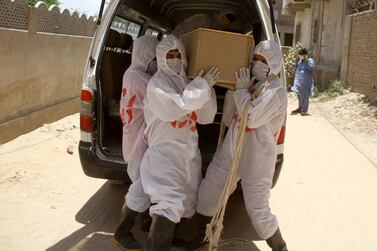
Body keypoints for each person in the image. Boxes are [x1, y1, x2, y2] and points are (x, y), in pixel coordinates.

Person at [186, 41, 288, 251]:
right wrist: (234, 92)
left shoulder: (276, 92)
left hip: (257, 159)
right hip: (231, 150)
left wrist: (242, 93)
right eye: (256, 59)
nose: (258, 64)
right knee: (208, 193)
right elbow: (228, 120)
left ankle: (280, 247)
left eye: (264, 60)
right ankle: (202, 236)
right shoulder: (252, 84)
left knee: (258, 209)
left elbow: (251, 118)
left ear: (275, 63)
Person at [140, 35, 220, 250]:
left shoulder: (188, 81)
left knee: (184, 202)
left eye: (178, 54)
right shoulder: (157, 84)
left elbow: (206, 117)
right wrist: (202, 86)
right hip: (165, 156)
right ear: (161, 58)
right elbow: (175, 108)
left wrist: (207, 89)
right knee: (167, 204)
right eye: (169, 55)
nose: (175, 59)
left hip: (188, 154)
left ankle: (168, 240)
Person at [113, 36, 159, 250]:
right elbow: (163, 91)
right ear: (145, 57)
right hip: (137, 141)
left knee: (146, 184)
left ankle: (147, 221)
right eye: (155, 59)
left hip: (136, 137)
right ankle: (122, 230)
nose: (156, 65)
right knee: (141, 185)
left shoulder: (132, 72)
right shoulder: (140, 78)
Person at [291, 48, 315, 116]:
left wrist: (306, 61)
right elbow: (297, 69)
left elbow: (311, 68)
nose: (300, 56)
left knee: (305, 96)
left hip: (306, 82)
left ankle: (304, 110)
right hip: (299, 82)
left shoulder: (310, 60)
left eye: (301, 55)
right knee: (299, 95)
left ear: (305, 55)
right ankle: (300, 108)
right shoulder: (300, 61)